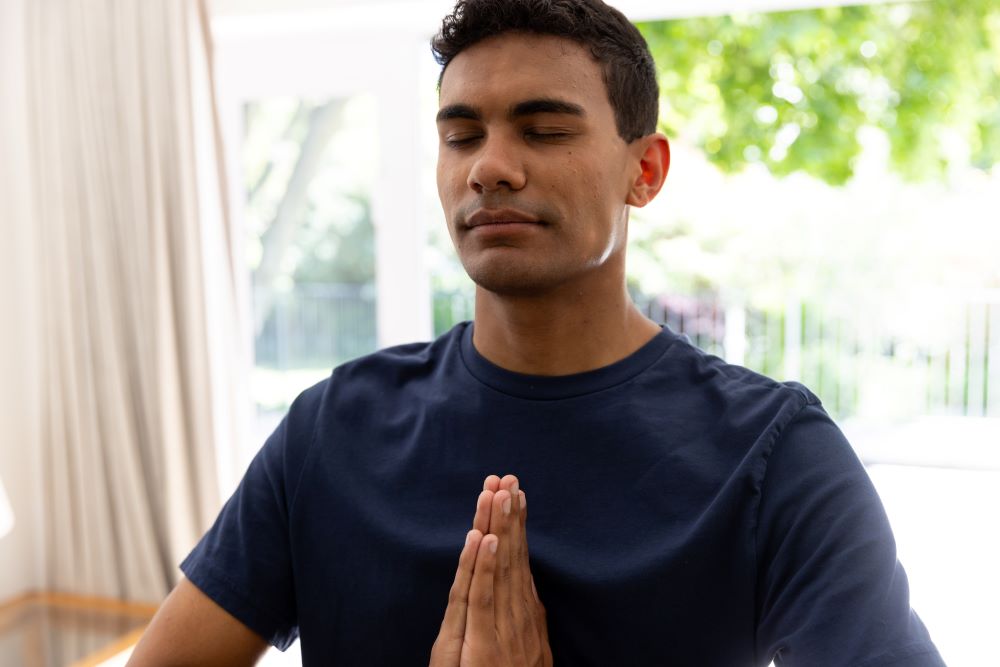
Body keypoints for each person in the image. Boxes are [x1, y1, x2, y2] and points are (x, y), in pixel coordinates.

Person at [127, 0, 946, 665]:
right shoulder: (332, 428)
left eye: (543, 129)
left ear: (645, 171)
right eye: (461, 134)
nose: (490, 166)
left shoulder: (775, 456)